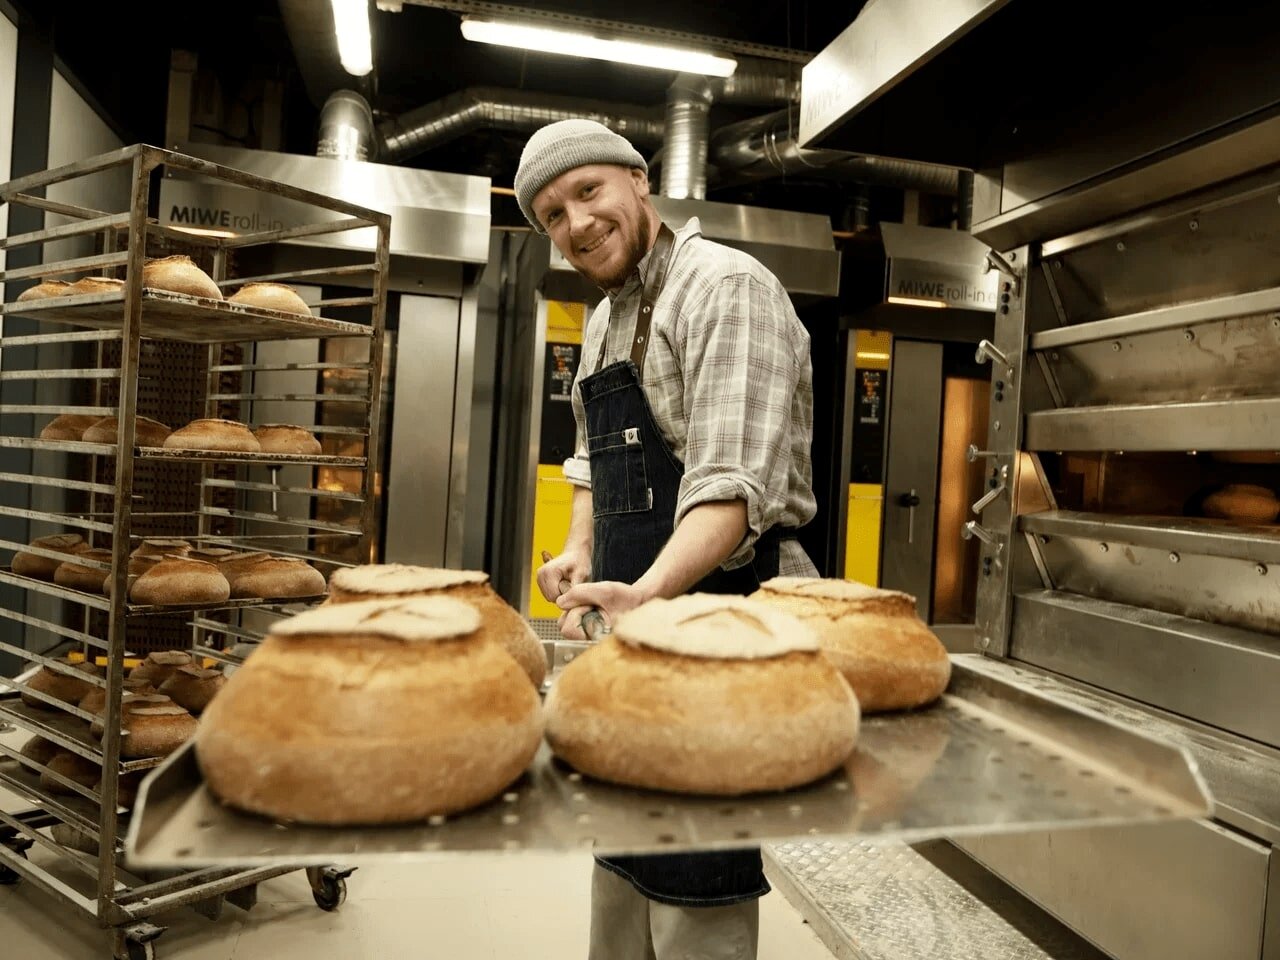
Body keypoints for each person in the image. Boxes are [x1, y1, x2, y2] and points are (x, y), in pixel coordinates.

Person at [517, 118, 819, 960]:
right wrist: (583, 554)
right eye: (551, 214)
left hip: (718, 623)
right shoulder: (607, 321)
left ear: (639, 181)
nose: (575, 224)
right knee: (623, 851)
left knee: (694, 872)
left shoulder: (724, 287)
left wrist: (645, 592)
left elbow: (730, 492)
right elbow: (590, 460)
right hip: (637, 627)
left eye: (587, 192)